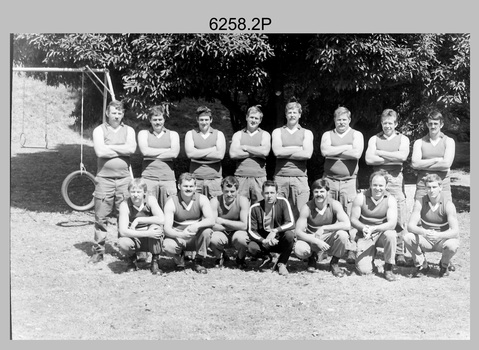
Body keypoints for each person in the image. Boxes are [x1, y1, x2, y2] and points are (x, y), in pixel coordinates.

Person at [89, 100, 137, 263]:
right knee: (101, 216)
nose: (117, 116)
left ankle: (126, 248)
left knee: (125, 214)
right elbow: (100, 151)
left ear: (123, 114)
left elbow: (131, 149)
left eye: (120, 113)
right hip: (104, 180)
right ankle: (98, 250)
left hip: (124, 180)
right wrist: (120, 148)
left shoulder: (129, 130)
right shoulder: (99, 130)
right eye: (114, 113)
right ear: (107, 114)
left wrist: (110, 147)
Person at [411, 109, 456, 271]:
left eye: (435, 124)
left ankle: (446, 257)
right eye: (430, 124)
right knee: (417, 219)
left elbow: (447, 164)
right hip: (423, 185)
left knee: (444, 218)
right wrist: (438, 159)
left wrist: (426, 162)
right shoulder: (419, 142)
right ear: (426, 125)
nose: (432, 127)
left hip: (443, 186)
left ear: (441, 124)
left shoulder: (449, 141)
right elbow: (415, 164)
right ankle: (419, 257)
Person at [365, 109, 410, 266]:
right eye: (385, 123)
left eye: (391, 123)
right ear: (381, 123)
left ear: (396, 124)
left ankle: (399, 252)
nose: (387, 126)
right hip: (377, 179)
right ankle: (371, 247)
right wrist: (392, 156)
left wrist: (379, 153)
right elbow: (369, 159)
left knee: (399, 217)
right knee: (375, 213)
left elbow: (402, 157)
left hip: (396, 179)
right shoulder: (374, 138)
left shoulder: (403, 138)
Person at [320, 106, 364, 264]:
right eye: (338, 119)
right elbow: (325, 151)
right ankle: (325, 248)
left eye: (344, 119)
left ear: (349, 120)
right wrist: (346, 148)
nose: (341, 122)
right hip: (330, 180)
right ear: (334, 120)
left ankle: (351, 249)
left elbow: (357, 153)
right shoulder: (328, 134)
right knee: (328, 213)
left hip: (349, 181)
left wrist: (335, 151)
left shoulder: (356, 134)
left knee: (351, 214)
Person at [403, 174, 459, 278]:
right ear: (425, 188)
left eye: (434, 187)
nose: (431, 190)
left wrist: (439, 235)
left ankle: (444, 265)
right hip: (426, 238)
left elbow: (455, 231)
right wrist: (424, 232)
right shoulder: (420, 202)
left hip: (442, 239)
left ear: (440, 188)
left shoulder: (448, 204)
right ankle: (422, 265)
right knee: (407, 237)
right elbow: (410, 226)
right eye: (428, 187)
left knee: (453, 245)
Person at [294, 179, 351, 277]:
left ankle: (334, 263)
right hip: (312, 237)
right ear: (312, 193)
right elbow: (298, 232)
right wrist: (317, 241)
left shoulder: (334, 204)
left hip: (327, 237)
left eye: (322, 191)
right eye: (316, 192)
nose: (319, 194)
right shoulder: (307, 207)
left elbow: (347, 224)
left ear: (327, 192)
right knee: (299, 249)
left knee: (343, 235)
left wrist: (324, 227)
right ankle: (312, 257)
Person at [350, 170, 399, 282]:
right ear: (370, 185)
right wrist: (364, 228)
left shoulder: (391, 199)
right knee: (364, 271)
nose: (378, 188)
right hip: (365, 234)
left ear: (386, 185)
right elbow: (353, 219)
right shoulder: (360, 197)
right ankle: (369, 257)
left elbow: (392, 223)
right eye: (375, 185)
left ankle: (388, 267)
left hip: (381, 232)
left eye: (381, 185)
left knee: (391, 235)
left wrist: (374, 228)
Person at [162, 173, 215, 274]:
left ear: (195, 187)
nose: (188, 189)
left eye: (191, 186)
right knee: (168, 245)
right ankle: (179, 259)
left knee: (207, 231)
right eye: (185, 186)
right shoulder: (171, 201)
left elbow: (211, 220)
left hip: (195, 237)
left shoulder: (202, 199)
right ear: (179, 186)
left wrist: (196, 225)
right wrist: (181, 234)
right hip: (179, 237)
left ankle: (199, 260)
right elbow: (167, 229)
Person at [271, 101, 314, 219]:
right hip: (281, 176)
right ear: (286, 115)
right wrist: (298, 149)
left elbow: (307, 154)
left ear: (300, 115)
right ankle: (278, 236)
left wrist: (286, 149)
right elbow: (277, 152)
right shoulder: (278, 131)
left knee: (302, 212)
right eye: (289, 112)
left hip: (300, 177)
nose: (292, 115)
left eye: (295, 112)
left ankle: (300, 236)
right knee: (277, 211)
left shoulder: (307, 133)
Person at [247, 180, 295, 276]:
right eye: (267, 193)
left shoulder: (283, 202)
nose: (269, 196)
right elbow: (251, 230)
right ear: (262, 194)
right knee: (252, 247)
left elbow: (291, 223)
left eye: (272, 193)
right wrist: (263, 240)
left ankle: (282, 263)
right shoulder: (255, 208)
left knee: (289, 235)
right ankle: (266, 257)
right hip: (263, 241)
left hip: (278, 239)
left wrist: (275, 231)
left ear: (277, 193)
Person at [117, 178, 165, 274]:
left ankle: (155, 261)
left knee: (156, 229)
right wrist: (147, 233)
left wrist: (139, 219)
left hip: (150, 237)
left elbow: (162, 219)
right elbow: (122, 231)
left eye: (138, 192)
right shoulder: (125, 205)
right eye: (132, 192)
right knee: (123, 242)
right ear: (128, 192)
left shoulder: (150, 200)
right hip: (135, 237)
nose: (135, 195)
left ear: (144, 192)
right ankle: (132, 261)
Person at [138, 104, 180, 210]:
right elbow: (145, 151)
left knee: (170, 207)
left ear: (164, 119)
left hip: (168, 177)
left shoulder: (173, 134)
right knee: (148, 206)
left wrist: (152, 152)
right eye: (155, 119)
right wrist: (167, 151)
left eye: (160, 119)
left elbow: (174, 153)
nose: (157, 122)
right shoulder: (143, 133)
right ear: (150, 120)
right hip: (148, 176)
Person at [229, 105, 271, 204]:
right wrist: (257, 152)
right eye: (251, 117)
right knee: (241, 207)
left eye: (256, 118)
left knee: (259, 208)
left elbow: (265, 151)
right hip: (241, 177)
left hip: (259, 177)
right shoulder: (238, 134)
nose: (253, 120)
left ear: (260, 121)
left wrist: (245, 147)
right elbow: (233, 154)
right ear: (247, 117)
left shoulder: (265, 134)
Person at [184, 106, 226, 199]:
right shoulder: (190, 134)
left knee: (214, 208)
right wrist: (212, 149)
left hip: (214, 180)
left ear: (211, 120)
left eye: (206, 119)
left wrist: (197, 152)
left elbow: (220, 155)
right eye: (201, 120)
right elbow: (190, 154)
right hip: (195, 179)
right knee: (195, 207)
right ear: (197, 120)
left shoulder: (218, 134)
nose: (204, 122)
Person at [209, 176, 250, 269]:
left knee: (242, 239)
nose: (229, 194)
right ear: (222, 190)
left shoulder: (243, 200)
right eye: (226, 191)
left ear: (237, 191)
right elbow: (212, 226)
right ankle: (220, 256)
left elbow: (244, 226)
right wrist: (235, 225)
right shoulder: (214, 201)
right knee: (212, 238)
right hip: (221, 232)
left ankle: (240, 258)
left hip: (237, 233)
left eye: (232, 191)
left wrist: (223, 221)